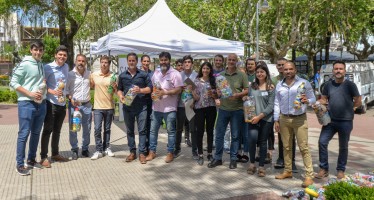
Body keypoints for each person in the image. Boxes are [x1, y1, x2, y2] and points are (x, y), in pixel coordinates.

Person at [315, 61, 361, 179]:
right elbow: (324, 99)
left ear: (344, 71)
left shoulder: (350, 85)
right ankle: (323, 168)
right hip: (330, 121)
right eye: (336, 69)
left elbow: (358, 99)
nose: (338, 71)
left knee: (343, 146)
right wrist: (320, 105)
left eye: (341, 69)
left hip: (346, 121)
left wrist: (353, 108)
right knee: (322, 142)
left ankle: (341, 170)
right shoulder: (328, 85)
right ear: (333, 71)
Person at [274, 61, 316, 188]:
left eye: (290, 69)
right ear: (283, 71)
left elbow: (313, 98)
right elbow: (277, 102)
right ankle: (288, 171)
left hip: (299, 119)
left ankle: (309, 175)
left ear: (295, 70)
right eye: (285, 69)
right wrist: (276, 119)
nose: (288, 71)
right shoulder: (279, 85)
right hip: (284, 119)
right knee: (286, 147)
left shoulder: (304, 83)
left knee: (303, 147)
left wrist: (307, 100)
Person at [10, 41, 47, 175]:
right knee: (24, 134)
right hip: (26, 103)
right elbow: (13, 82)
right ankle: (20, 164)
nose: (38, 52)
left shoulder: (41, 64)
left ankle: (31, 159)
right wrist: (30, 93)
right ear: (31, 50)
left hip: (41, 104)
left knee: (36, 133)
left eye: (40, 50)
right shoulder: (25, 64)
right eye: (35, 49)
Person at [208, 53, 249, 169]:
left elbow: (247, 90)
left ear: (236, 61)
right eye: (229, 59)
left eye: (233, 60)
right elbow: (218, 91)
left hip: (237, 110)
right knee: (219, 135)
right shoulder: (220, 75)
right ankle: (218, 158)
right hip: (223, 109)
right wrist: (216, 93)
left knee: (235, 136)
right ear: (227, 61)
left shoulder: (242, 75)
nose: (231, 61)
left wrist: (237, 95)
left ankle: (233, 158)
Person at [146, 52, 183, 163]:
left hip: (170, 109)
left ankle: (170, 152)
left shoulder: (175, 74)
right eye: (161, 60)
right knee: (153, 132)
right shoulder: (156, 73)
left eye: (165, 60)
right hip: (156, 108)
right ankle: (152, 152)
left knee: (171, 131)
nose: (163, 62)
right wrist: (153, 94)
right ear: (159, 61)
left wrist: (165, 92)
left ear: (169, 61)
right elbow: (153, 88)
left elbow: (179, 89)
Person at [117, 53, 152, 164]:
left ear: (137, 62)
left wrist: (140, 90)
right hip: (127, 107)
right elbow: (119, 89)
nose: (131, 62)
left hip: (142, 107)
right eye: (130, 61)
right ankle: (132, 152)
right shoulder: (122, 76)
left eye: (133, 61)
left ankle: (142, 153)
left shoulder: (143, 74)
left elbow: (150, 88)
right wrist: (121, 96)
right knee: (130, 131)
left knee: (142, 131)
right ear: (127, 62)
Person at [40, 45, 70, 168]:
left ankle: (55, 153)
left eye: (64, 55)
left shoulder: (66, 67)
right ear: (55, 55)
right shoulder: (47, 67)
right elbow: (41, 84)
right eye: (60, 54)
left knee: (57, 130)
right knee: (48, 130)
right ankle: (43, 157)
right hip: (50, 103)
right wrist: (52, 92)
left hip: (62, 104)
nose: (62, 57)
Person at [245, 61, 275, 177]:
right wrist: (246, 99)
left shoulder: (271, 87)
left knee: (263, 142)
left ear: (266, 73)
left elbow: (271, 106)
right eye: (257, 72)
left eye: (262, 72)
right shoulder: (252, 86)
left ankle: (261, 166)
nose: (259, 74)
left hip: (265, 119)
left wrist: (260, 116)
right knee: (252, 140)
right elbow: (250, 99)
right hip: (252, 118)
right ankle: (252, 164)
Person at [272, 58, 297, 171]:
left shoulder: (297, 79)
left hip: (294, 114)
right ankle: (281, 158)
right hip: (280, 113)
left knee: (292, 139)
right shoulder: (274, 80)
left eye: (283, 65)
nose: (281, 67)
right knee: (282, 138)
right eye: (279, 65)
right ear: (276, 67)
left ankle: (292, 161)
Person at [90, 55, 117, 160]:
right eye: (102, 62)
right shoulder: (94, 75)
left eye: (106, 62)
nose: (104, 64)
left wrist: (115, 88)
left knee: (107, 129)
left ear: (109, 64)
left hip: (109, 106)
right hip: (97, 107)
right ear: (100, 63)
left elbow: (115, 91)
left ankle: (107, 148)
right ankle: (98, 149)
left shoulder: (113, 76)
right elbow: (91, 86)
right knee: (97, 129)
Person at [66, 54, 92, 159]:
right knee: (74, 128)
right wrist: (70, 98)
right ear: (76, 61)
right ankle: (74, 149)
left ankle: (85, 149)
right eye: (79, 61)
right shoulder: (70, 74)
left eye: (83, 61)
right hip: (74, 106)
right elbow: (66, 90)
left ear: (85, 62)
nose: (81, 63)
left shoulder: (89, 74)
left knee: (87, 128)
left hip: (86, 105)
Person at [191, 62, 218, 165]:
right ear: (201, 69)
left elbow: (218, 96)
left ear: (210, 70)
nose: (205, 70)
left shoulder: (214, 81)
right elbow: (194, 95)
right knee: (200, 131)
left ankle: (210, 153)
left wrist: (214, 94)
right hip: (199, 108)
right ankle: (200, 154)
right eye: (204, 68)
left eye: (207, 68)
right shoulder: (196, 81)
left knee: (210, 131)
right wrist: (194, 96)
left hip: (211, 108)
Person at [175, 55, 198, 158]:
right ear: (183, 64)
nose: (187, 64)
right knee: (178, 129)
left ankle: (194, 151)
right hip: (180, 106)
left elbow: (199, 92)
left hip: (191, 106)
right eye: (185, 62)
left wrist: (193, 99)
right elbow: (175, 91)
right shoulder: (178, 75)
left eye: (189, 62)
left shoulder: (196, 75)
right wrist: (180, 88)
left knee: (193, 129)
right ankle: (177, 149)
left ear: (192, 63)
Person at [140, 55, 153, 153]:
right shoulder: (138, 73)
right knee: (142, 126)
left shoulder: (153, 74)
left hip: (150, 102)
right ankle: (142, 147)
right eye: (144, 61)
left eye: (147, 61)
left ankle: (148, 147)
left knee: (149, 124)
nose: (146, 63)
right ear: (141, 62)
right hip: (140, 102)